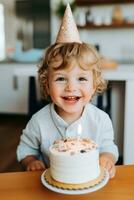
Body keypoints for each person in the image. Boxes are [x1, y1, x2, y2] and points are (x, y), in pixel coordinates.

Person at [17, 4, 118, 179]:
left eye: (82, 78)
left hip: (89, 183)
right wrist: (30, 161)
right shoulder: (39, 121)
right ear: (47, 85)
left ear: (94, 85)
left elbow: (109, 148)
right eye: (61, 78)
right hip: (51, 184)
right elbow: (25, 149)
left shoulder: (101, 120)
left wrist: (107, 158)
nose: (71, 87)